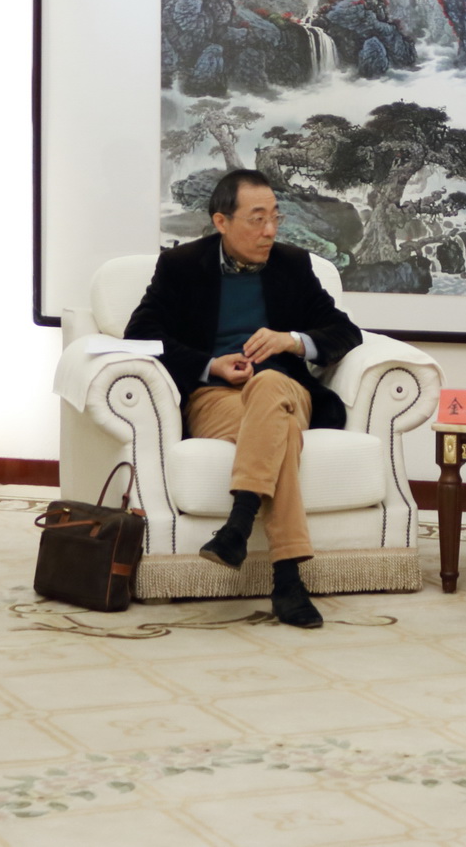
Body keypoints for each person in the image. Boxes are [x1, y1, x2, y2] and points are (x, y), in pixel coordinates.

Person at [124, 168, 362, 628]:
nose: (270, 230)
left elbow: (345, 332)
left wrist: (291, 341)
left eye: (275, 217)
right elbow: (141, 334)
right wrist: (210, 365)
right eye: (257, 219)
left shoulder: (293, 264)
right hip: (216, 397)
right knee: (279, 434)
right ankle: (287, 579)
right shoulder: (181, 266)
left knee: (270, 386)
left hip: (286, 390)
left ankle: (240, 520)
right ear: (221, 221)